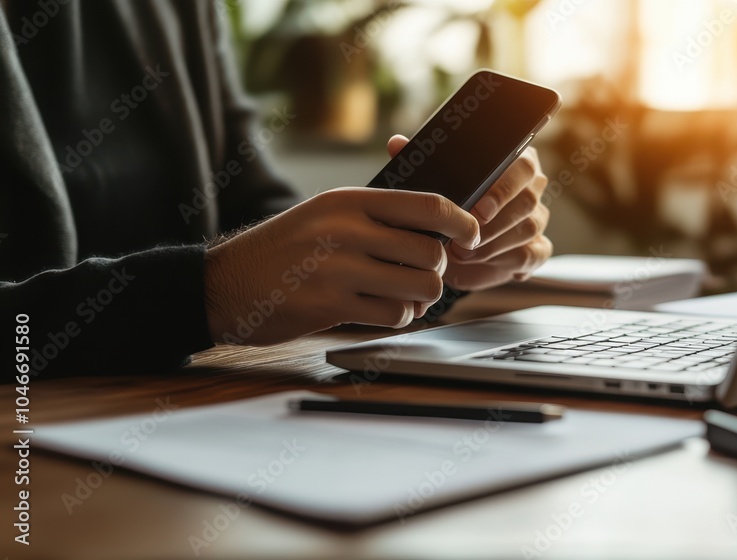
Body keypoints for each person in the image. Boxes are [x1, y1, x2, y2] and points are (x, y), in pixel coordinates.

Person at [0, 1, 552, 376]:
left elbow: (253, 209)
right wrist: (211, 292)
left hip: (173, 419)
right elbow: (234, 274)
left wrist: (425, 261)